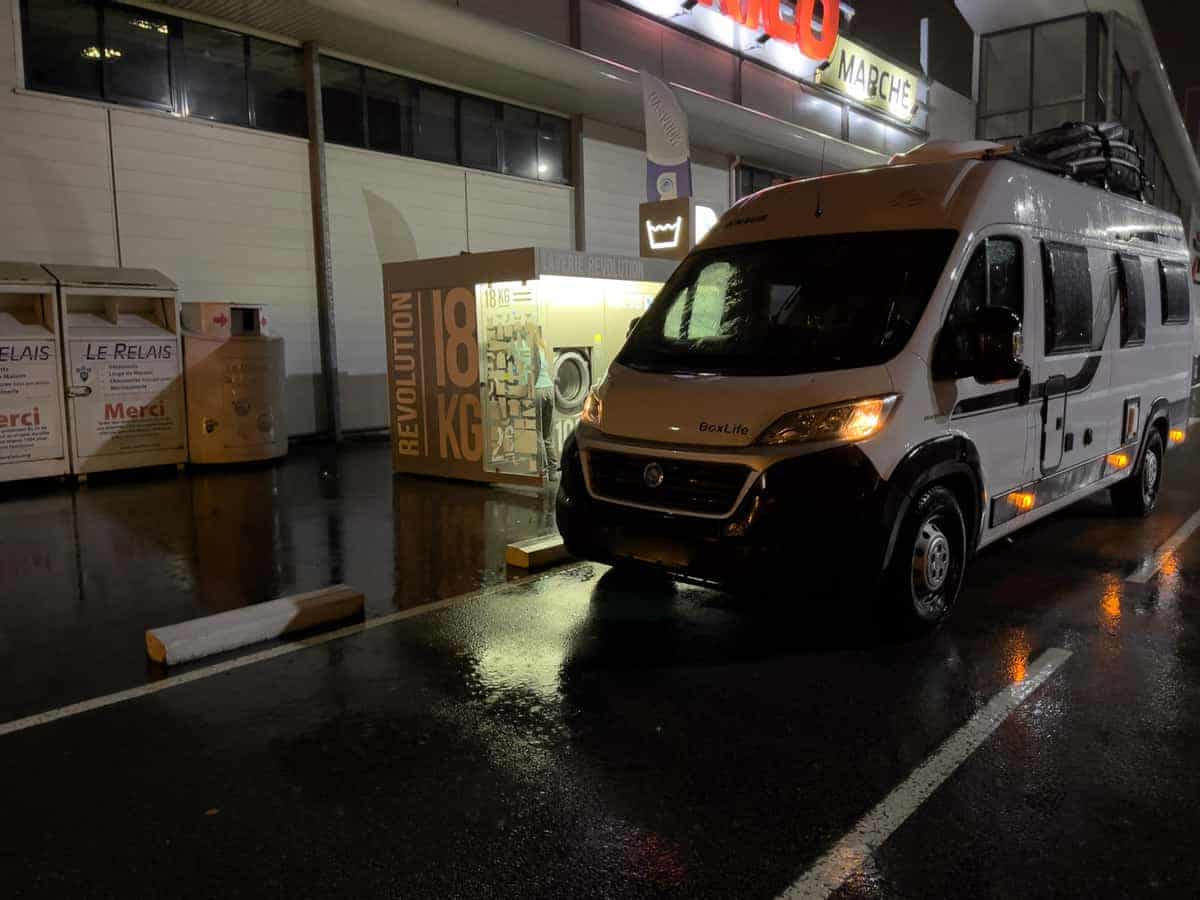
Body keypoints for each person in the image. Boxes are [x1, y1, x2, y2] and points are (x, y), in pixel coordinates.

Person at [527, 321, 558, 477]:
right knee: (547, 435)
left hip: (539, 390)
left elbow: (533, 369)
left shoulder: (531, 348)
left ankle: (542, 470)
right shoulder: (543, 346)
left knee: (538, 433)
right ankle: (553, 471)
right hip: (549, 389)